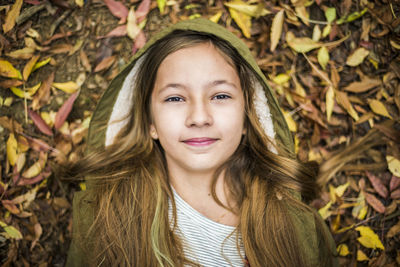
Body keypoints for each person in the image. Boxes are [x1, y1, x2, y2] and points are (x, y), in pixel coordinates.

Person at [65, 18, 338, 266]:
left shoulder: (296, 227)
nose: (199, 117)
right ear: (151, 124)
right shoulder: (105, 224)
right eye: (175, 98)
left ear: (247, 116)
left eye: (220, 96)